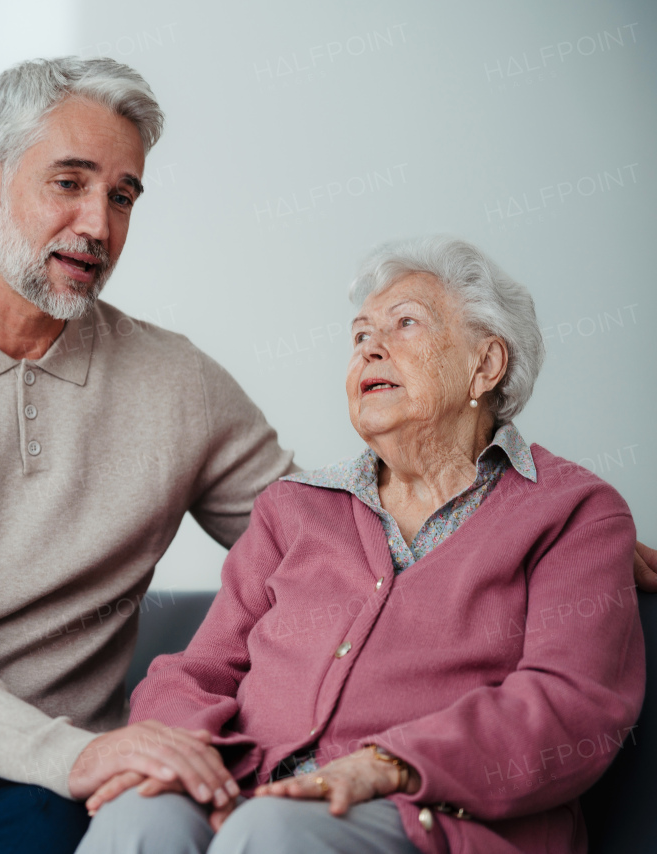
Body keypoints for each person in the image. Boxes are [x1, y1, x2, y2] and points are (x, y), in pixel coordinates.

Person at [0, 56, 655, 853]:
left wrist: (572, 534)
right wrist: (77, 754)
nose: (97, 224)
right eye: (68, 183)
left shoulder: (177, 384)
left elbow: (328, 528)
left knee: (70, 825)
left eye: (123, 194)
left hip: (42, 773)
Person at [75, 236, 645, 854]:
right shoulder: (291, 511)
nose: (371, 346)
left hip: (429, 819)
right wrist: (183, 758)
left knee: (270, 835)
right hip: (249, 799)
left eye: (405, 324)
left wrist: (387, 763)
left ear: (486, 364)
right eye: (359, 335)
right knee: (140, 815)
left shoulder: (572, 513)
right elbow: (197, 674)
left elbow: (568, 707)